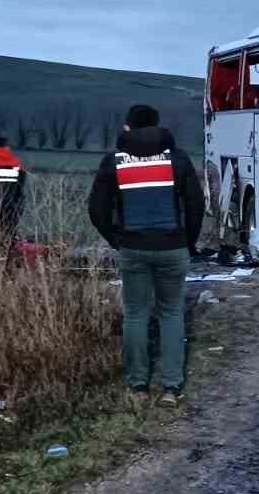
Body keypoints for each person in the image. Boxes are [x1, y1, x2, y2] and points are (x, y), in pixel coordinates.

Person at [87, 104, 205, 403]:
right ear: (156, 125)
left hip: (133, 248)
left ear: (128, 127)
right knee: (171, 313)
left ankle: (137, 385)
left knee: (136, 315)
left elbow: (96, 209)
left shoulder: (114, 162)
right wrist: (188, 242)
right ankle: (171, 387)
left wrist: (116, 239)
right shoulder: (177, 159)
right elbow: (195, 205)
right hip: (173, 246)